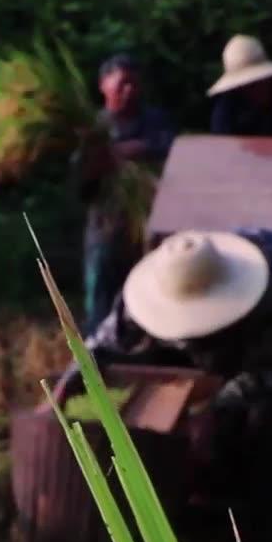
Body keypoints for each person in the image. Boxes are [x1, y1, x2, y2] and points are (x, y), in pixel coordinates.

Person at [54, 228, 272, 542]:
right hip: (230, 310)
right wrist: (75, 373)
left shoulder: (263, 297)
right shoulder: (150, 291)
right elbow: (105, 341)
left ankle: (259, 531)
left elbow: (266, 372)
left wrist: (216, 409)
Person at [75, 54, 177, 333]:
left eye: (134, 84)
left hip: (147, 233)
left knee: (149, 305)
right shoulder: (93, 130)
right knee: (100, 308)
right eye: (122, 84)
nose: (129, 90)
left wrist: (134, 149)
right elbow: (80, 187)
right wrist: (99, 163)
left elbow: (174, 151)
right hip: (105, 231)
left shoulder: (156, 123)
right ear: (103, 86)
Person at [207, 36, 272, 138]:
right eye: (249, 84)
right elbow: (224, 151)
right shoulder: (226, 112)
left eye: (259, 80)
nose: (257, 87)